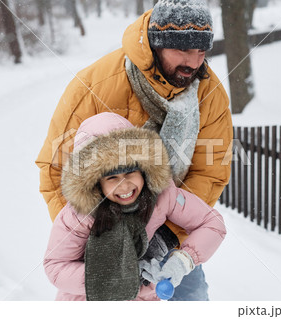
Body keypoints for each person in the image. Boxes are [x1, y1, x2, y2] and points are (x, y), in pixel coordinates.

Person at [36, 0, 233, 300]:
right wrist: (100, 239)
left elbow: (211, 171)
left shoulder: (209, 92)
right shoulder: (95, 85)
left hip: (170, 231)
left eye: (201, 51)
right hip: (104, 241)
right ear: (156, 45)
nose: (194, 63)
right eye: (183, 50)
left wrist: (166, 237)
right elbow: (56, 169)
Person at [43, 112, 226, 301]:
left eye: (130, 172)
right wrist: (117, 276)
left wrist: (183, 260)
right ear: (95, 182)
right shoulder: (79, 215)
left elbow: (211, 223)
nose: (124, 186)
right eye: (112, 177)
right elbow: (55, 266)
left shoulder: (162, 195)